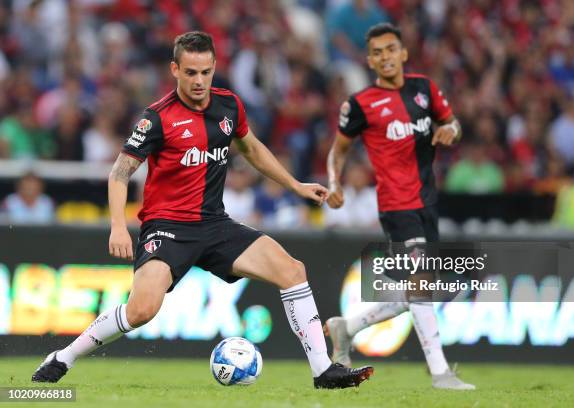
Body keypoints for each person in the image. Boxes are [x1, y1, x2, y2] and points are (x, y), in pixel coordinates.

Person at [32, 31, 373, 389]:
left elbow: (253, 149)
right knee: (142, 311)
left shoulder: (228, 107)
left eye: (205, 72)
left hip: (214, 224)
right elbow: (119, 173)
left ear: (213, 69)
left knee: (292, 270)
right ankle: (64, 356)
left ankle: (323, 371)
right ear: (175, 69)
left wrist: (295, 185)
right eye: (191, 72)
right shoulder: (157, 118)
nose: (199, 81)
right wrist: (118, 226)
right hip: (167, 228)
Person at [325, 23, 474, 390]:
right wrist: (334, 182)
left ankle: (348, 328)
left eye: (391, 49)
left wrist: (450, 131)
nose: (385, 57)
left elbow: (453, 124)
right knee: (421, 283)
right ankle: (440, 373)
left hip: (427, 201)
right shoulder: (360, 104)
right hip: (397, 206)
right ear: (370, 59)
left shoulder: (425, 89)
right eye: (377, 52)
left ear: (403, 53)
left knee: (417, 292)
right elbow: (339, 149)